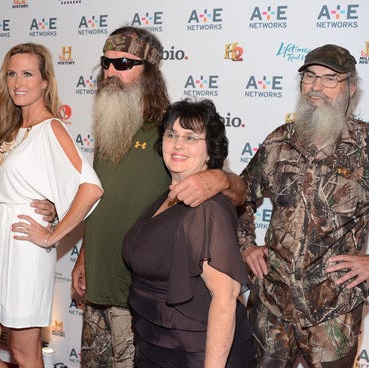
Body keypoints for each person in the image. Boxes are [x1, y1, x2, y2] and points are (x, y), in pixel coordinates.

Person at [71, 26, 247, 367]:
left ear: (149, 73)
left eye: (123, 63)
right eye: (105, 63)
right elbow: (102, 202)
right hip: (97, 287)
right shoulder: (109, 124)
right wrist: (82, 257)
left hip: (140, 301)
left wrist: (217, 176)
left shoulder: (168, 131)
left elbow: (238, 191)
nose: (110, 71)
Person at [0, 42, 103, 368]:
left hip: (26, 247)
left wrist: (52, 236)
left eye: (28, 73)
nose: (18, 82)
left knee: (24, 353)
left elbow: (91, 188)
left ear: (45, 82)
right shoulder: (10, 129)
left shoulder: (52, 127)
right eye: (12, 73)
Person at [238, 44, 368, 367]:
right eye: (310, 77)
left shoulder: (365, 147)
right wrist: (245, 245)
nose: (317, 87)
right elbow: (238, 197)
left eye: (330, 79)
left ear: (351, 87)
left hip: (333, 316)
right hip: (271, 309)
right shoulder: (278, 142)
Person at [122, 99, 254, 368]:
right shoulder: (168, 196)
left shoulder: (207, 209)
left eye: (191, 137)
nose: (178, 144)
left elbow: (225, 298)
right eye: (172, 135)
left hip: (192, 352)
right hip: (156, 344)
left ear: (210, 151)